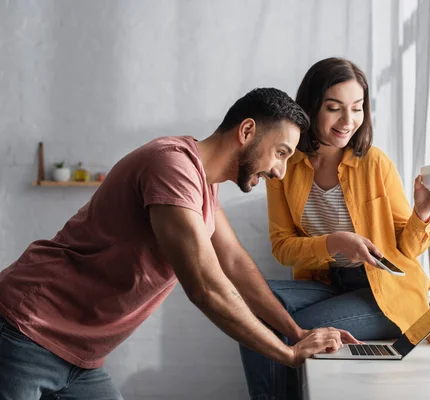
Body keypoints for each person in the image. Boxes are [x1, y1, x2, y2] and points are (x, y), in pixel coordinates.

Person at [0, 88, 359, 400]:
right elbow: (205, 286)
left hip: (79, 356)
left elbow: (234, 263)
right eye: (280, 152)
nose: (280, 171)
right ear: (247, 130)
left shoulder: (203, 183)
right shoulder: (171, 166)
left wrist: (296, 332)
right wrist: (287, 354)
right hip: (25, 332)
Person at [239, 58, 430, 399]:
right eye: (334, 108)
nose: (348, 121)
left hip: (385, 293)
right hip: (327, 284)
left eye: (357, 109)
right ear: (311, 108)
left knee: (289, 329)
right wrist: (335, 243)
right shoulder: (286, 163)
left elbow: (407, 249)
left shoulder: (374, 163)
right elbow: (282, 246)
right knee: (250, 305)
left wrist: (422, 211)